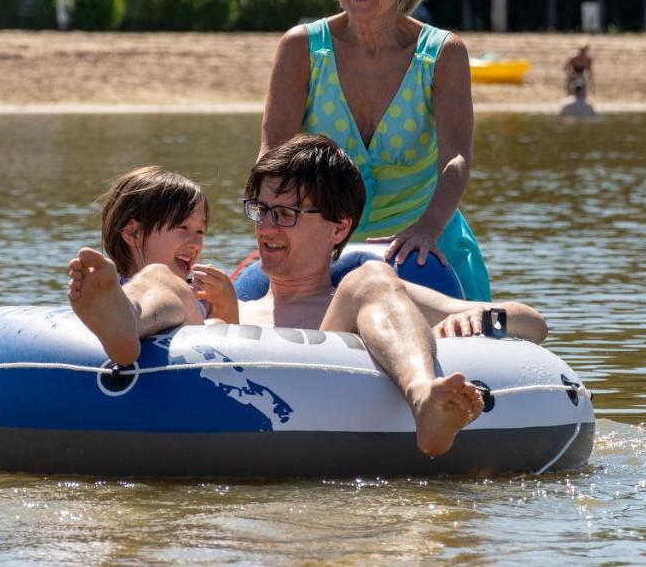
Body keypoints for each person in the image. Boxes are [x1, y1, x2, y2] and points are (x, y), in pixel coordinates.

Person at [67, 135, 548, 458]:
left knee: (372, 278)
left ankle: (423, 398)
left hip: (343, 354)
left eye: (288, 214)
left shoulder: (363, 293)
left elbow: (531, 323)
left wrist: (479, 323)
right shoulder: (232, 299)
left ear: (339, 226)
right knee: (163, 277)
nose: (268, 227)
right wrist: (221, 314)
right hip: (217, 409)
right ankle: (122, 320)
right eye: (262, 210)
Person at [259, 0, 491, 301]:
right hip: (321, 246)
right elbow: (273, 154)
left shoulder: (443, 54)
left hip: (426, 243)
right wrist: (277, 229)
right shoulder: (301, 48)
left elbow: (456, 158)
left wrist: (427, 227)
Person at [66, 165, 239, 362]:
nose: (195, 243)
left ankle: (129, 321)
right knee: (159, 275)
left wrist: (226, 302)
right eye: (183, 227)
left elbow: (234, 353)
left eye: (200, 232)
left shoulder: (203, 298)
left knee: (211, 319)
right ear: (133, 233)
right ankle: (127, 320)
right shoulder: (107, 295)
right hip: (125, 309)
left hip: (193, 358)